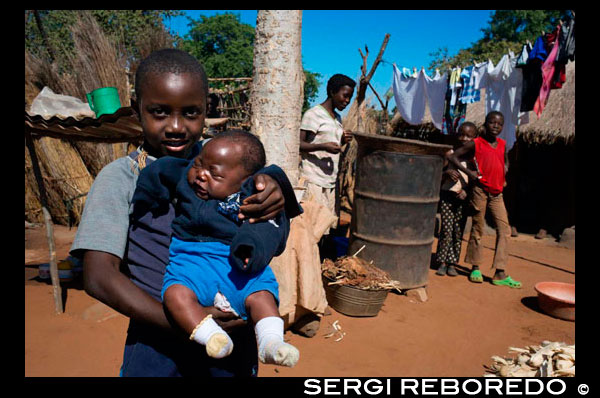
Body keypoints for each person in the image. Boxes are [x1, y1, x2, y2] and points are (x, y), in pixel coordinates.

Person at [69, 48, 302, 377]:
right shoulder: (122, 178)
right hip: (158, 342)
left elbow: (272, 236)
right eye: (159, 112)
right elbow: (98, 277)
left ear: (206, 110)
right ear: (137, 110)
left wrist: (275, 189)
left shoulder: (229, 165)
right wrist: (188, 321)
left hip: (235, 340)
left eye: (191, 113)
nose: (176, 126)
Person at [131, 130, 299, 367]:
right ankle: (212, 336)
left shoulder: (254, 197)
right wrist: (146, 193)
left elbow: (273, 201)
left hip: (238, 269)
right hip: (191, 264)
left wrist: (275, 179)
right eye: (199, 165)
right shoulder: (186, 182)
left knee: (261, 297)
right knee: (175, 295)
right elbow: (162, 170)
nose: (201, 175)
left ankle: (271, 343)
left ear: (245, 181)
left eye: (215, 174)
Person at [448, 111, 521, 288]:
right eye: (492, 122)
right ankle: (475, 267)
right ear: (485, 124)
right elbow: (453, 156)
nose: (496, 126)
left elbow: (505, 161)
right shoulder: (476, 143)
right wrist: (469, 173)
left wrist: (504, 175)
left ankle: (500, 272)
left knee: (504, 230)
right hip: (480, 191)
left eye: (499, 123)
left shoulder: (503, 144)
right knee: (478, 228)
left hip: (497, 194)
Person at [299, 73, 355, 235]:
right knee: (311, 228)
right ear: (332, 92)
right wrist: (323, 146)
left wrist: (343, 140)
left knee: (324, 228)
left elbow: (332, 144)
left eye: (350, 98)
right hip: (313, 179)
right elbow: (299, 144)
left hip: (329, 181)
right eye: (345, 96)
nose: (347, 101)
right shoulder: (313, 114)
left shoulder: (337, 118)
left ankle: (321, 260)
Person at [435, 122, 478, 277]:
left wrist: (467, 191)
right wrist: (447, 174)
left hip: (463, 198)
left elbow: (476, 180)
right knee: (446, 229)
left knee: (458, 230)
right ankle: (442, 262)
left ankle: (452, 262)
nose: (464, 138)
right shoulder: (449, 154)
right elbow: (436, 176)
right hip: (447, 195)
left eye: (468, 135)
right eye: (461, 134)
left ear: (475, 138)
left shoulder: (474, 158)